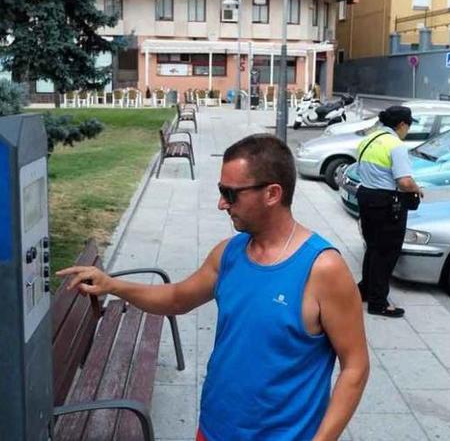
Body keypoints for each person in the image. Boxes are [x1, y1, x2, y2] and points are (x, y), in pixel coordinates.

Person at [58, 134, 369, 441]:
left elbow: (355, 366)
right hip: (214, 428)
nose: (221, 204)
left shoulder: (323, 269)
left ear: (272, 194)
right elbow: (177, 298)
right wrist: (112, 285)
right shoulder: (229, 253)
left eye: (230, 193)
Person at [355, 106, 424, 318]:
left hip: (366, 197)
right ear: (402, 124)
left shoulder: (369, 139)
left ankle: (365, 290)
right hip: (387, 204)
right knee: (386, 253)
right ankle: (378, 302)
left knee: (373, 248)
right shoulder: (396, 145)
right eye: (409, 125)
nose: (408, 129)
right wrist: (416, 188)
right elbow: (403, 181)